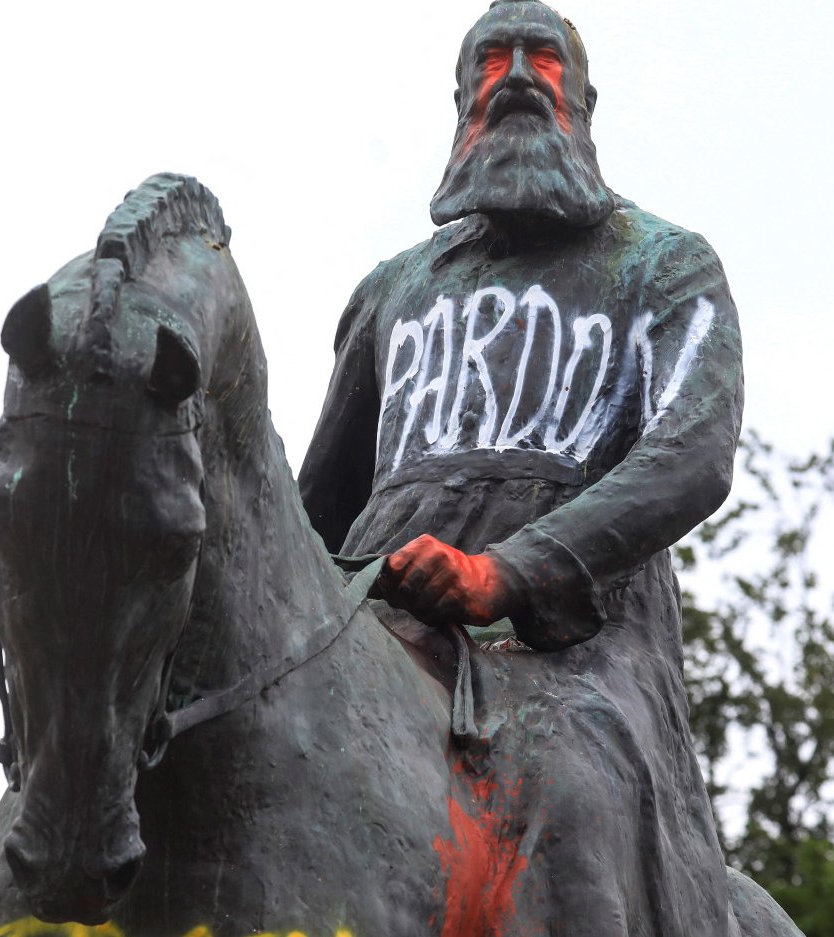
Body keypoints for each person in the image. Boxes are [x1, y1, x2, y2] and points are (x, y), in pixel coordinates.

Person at [298, 1, 744, 933]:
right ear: (461, 103)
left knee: (570, 783)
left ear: (581, 99)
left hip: (574, 656)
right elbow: (318, 504)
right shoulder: (389, 291)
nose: (514, 78)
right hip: (376, 622)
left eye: (541, 59)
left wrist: (507, 573)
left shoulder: (665, 265)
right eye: (491, 61)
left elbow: (690, 454)